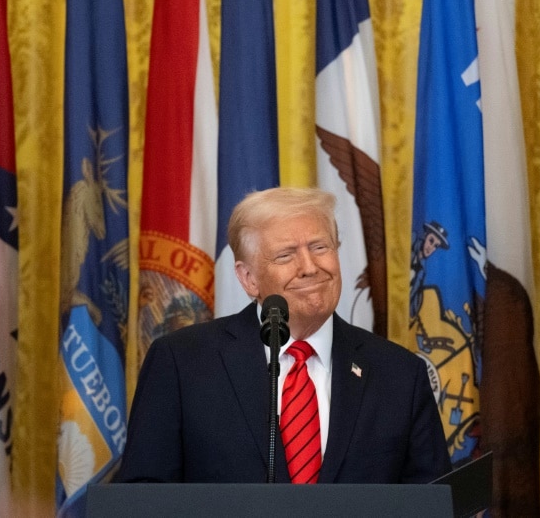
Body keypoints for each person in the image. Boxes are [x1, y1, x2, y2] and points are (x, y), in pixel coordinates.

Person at [116, 186, 451, 484]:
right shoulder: (181, 363)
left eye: (320, 247)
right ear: (248, 278)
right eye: (286, 255)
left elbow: (433, 503)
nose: (309, 266)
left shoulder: (400, 374)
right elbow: (142, 499)